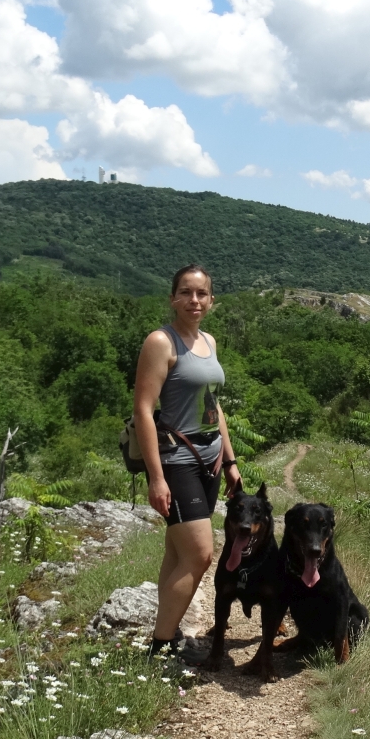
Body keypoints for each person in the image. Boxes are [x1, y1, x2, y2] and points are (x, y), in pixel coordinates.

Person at [133, 264, 241, 656]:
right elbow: (144, 411)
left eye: (201, 294)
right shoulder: (161, 342)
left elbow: (214, 405)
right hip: (176, 459)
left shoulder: (209, 341)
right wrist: (156, 478)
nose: (194, 300)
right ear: (173, 298)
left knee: (177, 553)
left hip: (209, 459)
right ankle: (159, 648)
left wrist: (229, 460)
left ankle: (169, 628)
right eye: (185, 292)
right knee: (200, 553)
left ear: (211, 301)